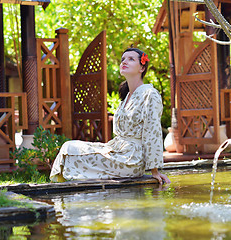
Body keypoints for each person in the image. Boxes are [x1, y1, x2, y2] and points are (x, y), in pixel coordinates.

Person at [50, 48, 171, 185]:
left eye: (131, 59)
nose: (125, 61)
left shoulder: (150, 94)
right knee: (69, 146)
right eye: (123, 59)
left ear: (142, 67)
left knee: (72, 151)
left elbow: (152, 131)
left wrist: (154, 170)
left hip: (131, 160)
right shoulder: (126, 97)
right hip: (117, 150)